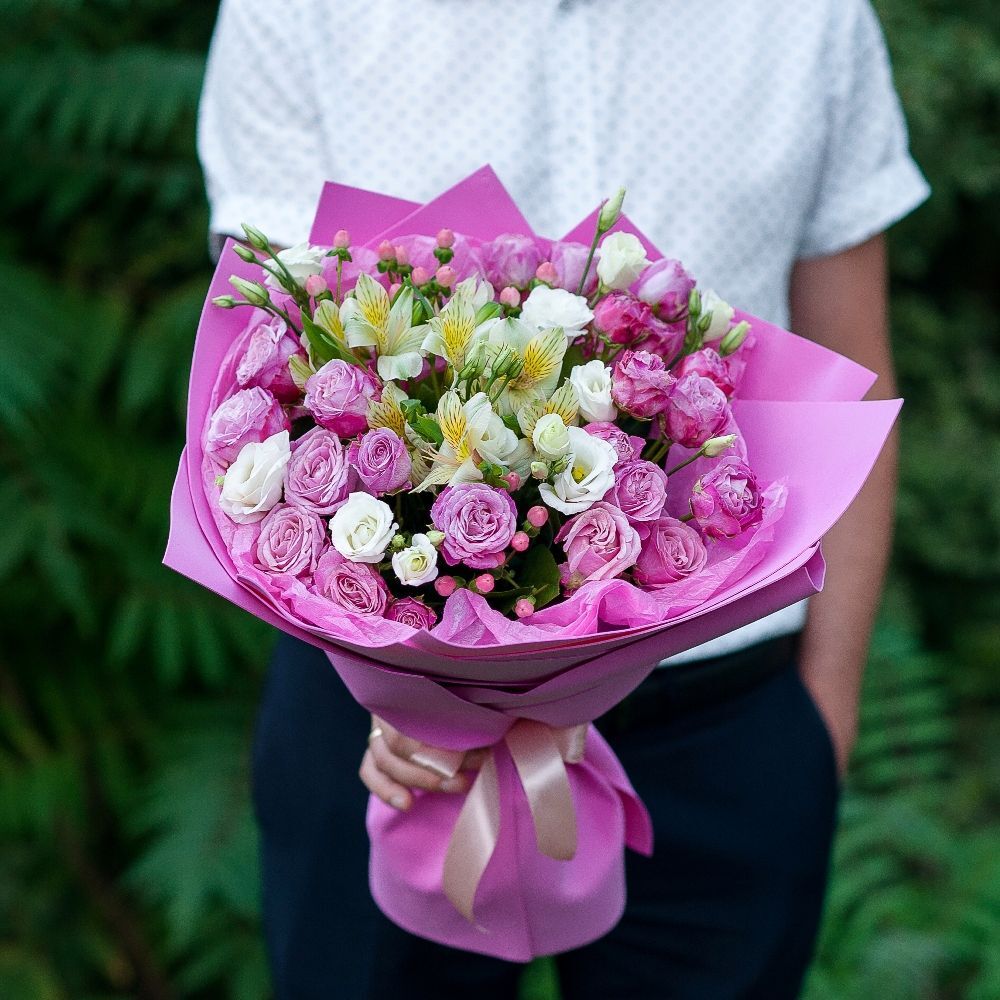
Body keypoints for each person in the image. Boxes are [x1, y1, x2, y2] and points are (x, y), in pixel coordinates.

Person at [198, 1, 929, 996]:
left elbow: (856, 378)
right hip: (387, 732)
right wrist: (393, 687)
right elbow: (266, 379)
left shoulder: (811, 18)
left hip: (720, 717)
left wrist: (822, 720)